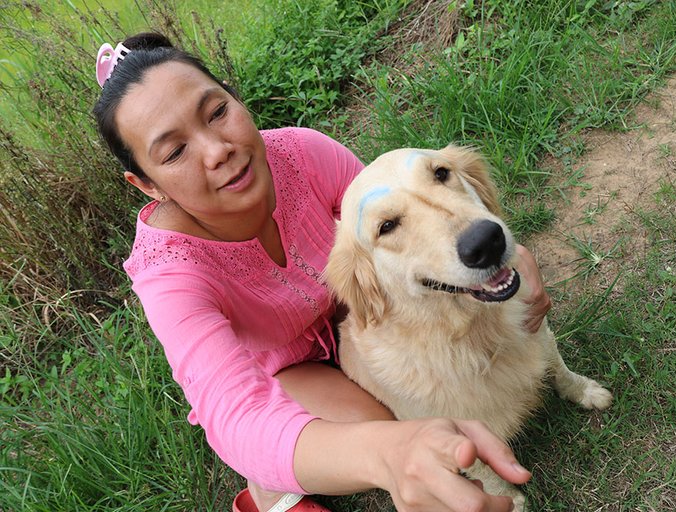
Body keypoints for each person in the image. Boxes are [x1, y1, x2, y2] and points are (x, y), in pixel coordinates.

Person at [93, 32, 553, 512]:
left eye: (216, 112)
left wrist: (502, 255)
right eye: (173, 152)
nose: (217, 150)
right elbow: (234, 413)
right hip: (290, 370)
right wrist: (388, 453)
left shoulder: (303, 153)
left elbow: (400, 223)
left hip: (359, 320)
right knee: (381, 430)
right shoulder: (168, 273)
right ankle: (268, 494)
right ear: (146, 184)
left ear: (236, 97)